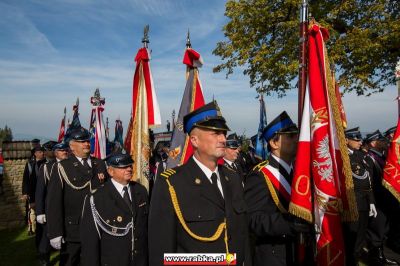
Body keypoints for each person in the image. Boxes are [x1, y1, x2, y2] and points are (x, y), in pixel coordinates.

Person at [149, 101, 250, 266]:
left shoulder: (232, 179)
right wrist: (220, 261)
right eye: (215, 133)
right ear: (194, 140)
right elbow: (162, 253)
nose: (223, 139)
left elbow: (243, 238)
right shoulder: (171, 183)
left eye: (223, 133)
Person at [244, 111, 310, 266]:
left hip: (301, 249)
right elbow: (252, 219)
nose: (297, 139)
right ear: (274, 143)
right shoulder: (259, 175)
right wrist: (289, 223)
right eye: (291, 136)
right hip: (275, 253)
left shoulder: (301, 173)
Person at [46, 127, 107, 266]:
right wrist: (55, 232)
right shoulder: (62, 167)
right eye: (81, 141)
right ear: (72, 146)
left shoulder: (100, 164)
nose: (86, 143)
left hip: (99, 226)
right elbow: (53, 202)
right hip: (73, 230)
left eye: (87, 140)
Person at [80, 153, 148, 266]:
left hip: (140, 260)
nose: (129, 169)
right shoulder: (97, 197)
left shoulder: (140, 190)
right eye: (123, 167)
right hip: (113, 260)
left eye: (130, 166)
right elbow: (90, 240)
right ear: (111, 171)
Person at [343, 127, 377, 265]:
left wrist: (372, 202)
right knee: (351, 239)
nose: (359, 141)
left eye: (359, 139)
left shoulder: (360, 156)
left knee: (360, 237)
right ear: (346, 140)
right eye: (356, 139)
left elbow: (367, 181)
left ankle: (355, 260)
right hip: (352, 203)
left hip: (364, 203)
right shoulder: (342, 157)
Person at [364, 130, 398, 265]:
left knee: (383, 230)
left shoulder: (382, 157)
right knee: (376, 231)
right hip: (377, 200)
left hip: (385, 200)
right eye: (381, 140)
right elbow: (370, 183)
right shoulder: (370, 158)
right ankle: (375, 257)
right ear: (373, 143)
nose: (385, 142)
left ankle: (381, 254)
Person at [35, 142, 69, 266]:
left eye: (66, 150)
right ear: (55, 153)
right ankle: (44, 257)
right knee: (47, 235)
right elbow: (40, 191)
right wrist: (40, 211)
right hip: (49, 208)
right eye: (61, 150)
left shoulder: (70, 166)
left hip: (65, 208)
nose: (65, 152)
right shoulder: (47, 167)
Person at [22, 145, 46, 235]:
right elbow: (25, 179)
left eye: (43, 152)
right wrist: (25, 192)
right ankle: (31, 228)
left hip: (43, 191)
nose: (42, 153)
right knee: (32, 211)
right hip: (32, 190)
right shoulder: (29, 164)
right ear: (35, 154)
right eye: (40, 152)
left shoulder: (45, 163)